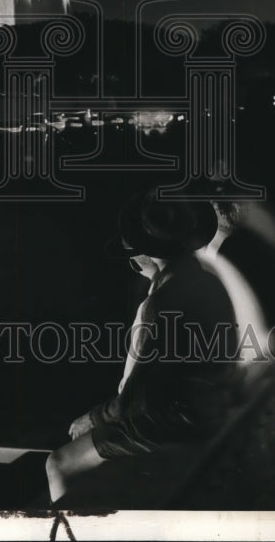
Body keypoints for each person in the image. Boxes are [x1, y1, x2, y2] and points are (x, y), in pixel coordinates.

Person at [45, 191, 241, 506]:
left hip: (182, 422)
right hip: (213, 407)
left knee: (58, 463)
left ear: (144, 256)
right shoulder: (208, 284)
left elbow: (134, 402)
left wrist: (92, 419)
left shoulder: (159, 305)